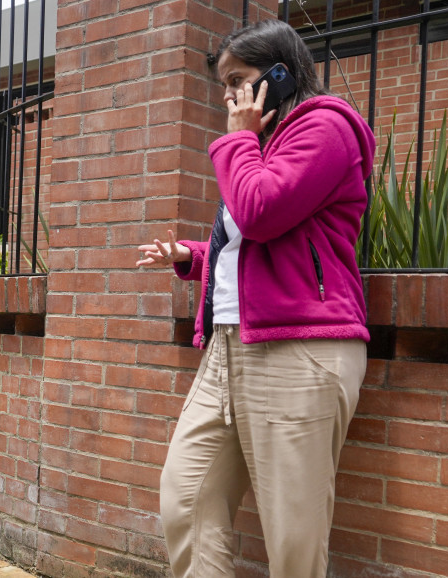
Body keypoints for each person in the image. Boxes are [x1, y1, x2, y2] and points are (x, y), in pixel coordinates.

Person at [136, 20, 373, 577]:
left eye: (237, 79)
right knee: (185, 498)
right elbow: (256, 239)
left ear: (280, 74)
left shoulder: (326, 127)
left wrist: (239, 138)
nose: (227, 96)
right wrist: (193, 256)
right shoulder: (264, 146)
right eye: (224, 84)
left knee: (293, 535)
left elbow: (263, 213)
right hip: (228, 347)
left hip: (299, 347)